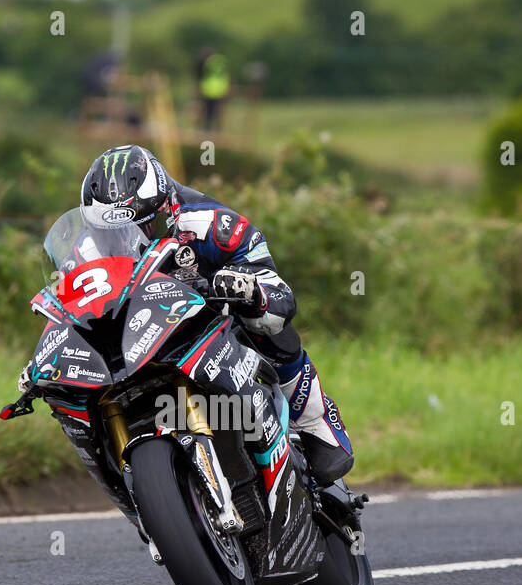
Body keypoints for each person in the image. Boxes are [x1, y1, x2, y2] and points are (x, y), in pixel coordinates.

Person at [78, 143, 354, 485]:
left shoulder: (211, 222)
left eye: (141, 227)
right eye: (111, 233)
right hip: (140, 339)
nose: (127, 240)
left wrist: (249, 291)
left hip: (214, 325)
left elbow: (282, 297)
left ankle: (315, 421)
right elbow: (73, 307)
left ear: (165, 208)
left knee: (268, 324)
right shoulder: (86, 251)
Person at [196, 47, 230, 132]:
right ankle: (217, 128)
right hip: (221, 88)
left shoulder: (206, 62)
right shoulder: (222, 61)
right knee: (218, 110)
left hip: (209, 89)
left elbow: (200, 75)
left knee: (207, 110)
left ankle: (207, 127)